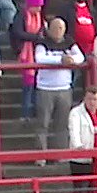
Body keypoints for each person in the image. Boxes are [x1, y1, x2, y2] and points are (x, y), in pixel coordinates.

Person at [33, 17, 84, 160]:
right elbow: (39, 58)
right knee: (42, 124)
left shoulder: (69, 42)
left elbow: (80, 56)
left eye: (60, 28)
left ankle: (60, 155)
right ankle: (41, 156)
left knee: (62, 124)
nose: (58, 31)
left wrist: (72, 60)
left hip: (64, 89)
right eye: (55, 28)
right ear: (49, 29)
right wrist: (60, 60)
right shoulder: (42, 43)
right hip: (45, 88)